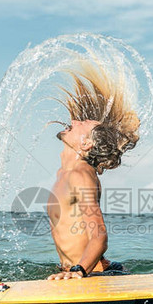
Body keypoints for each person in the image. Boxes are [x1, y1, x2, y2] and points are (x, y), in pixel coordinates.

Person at [46, 62, 140, 280]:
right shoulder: (64, 173)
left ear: (86, 144)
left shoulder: (80, 175)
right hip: (76, 272)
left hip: (95, 274)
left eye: (82, 124)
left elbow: (99, 236)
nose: (73, 121)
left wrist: (78, 271)